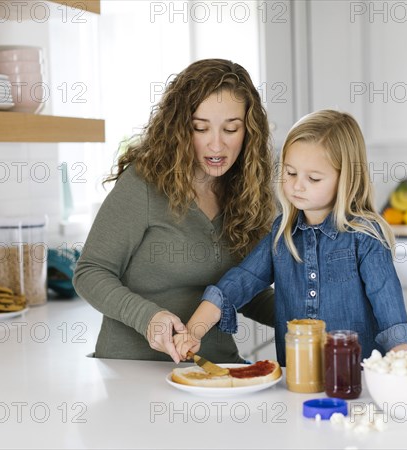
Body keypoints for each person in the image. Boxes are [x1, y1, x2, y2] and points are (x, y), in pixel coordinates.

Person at [174, 109, 407, 365]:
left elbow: (389, 308)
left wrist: (400, 365)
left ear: (345, 178)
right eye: (290, 173)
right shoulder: (283, 233)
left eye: (313, 178)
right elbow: (240, 281)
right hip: (296, 378)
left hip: (356, 380)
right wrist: (194, 330)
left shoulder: (365, 237)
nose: (297, 185)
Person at [73, 59, 277, 363]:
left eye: (231, 129)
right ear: (181, 128)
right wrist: (148, 318)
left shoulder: (249, 193)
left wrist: (307, 314)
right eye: (201, 128)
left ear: (249, 131)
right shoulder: (143, 184)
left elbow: (244, 288)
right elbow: (89, 273)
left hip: (214, 366)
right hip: (133, 368)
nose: (217, 145)